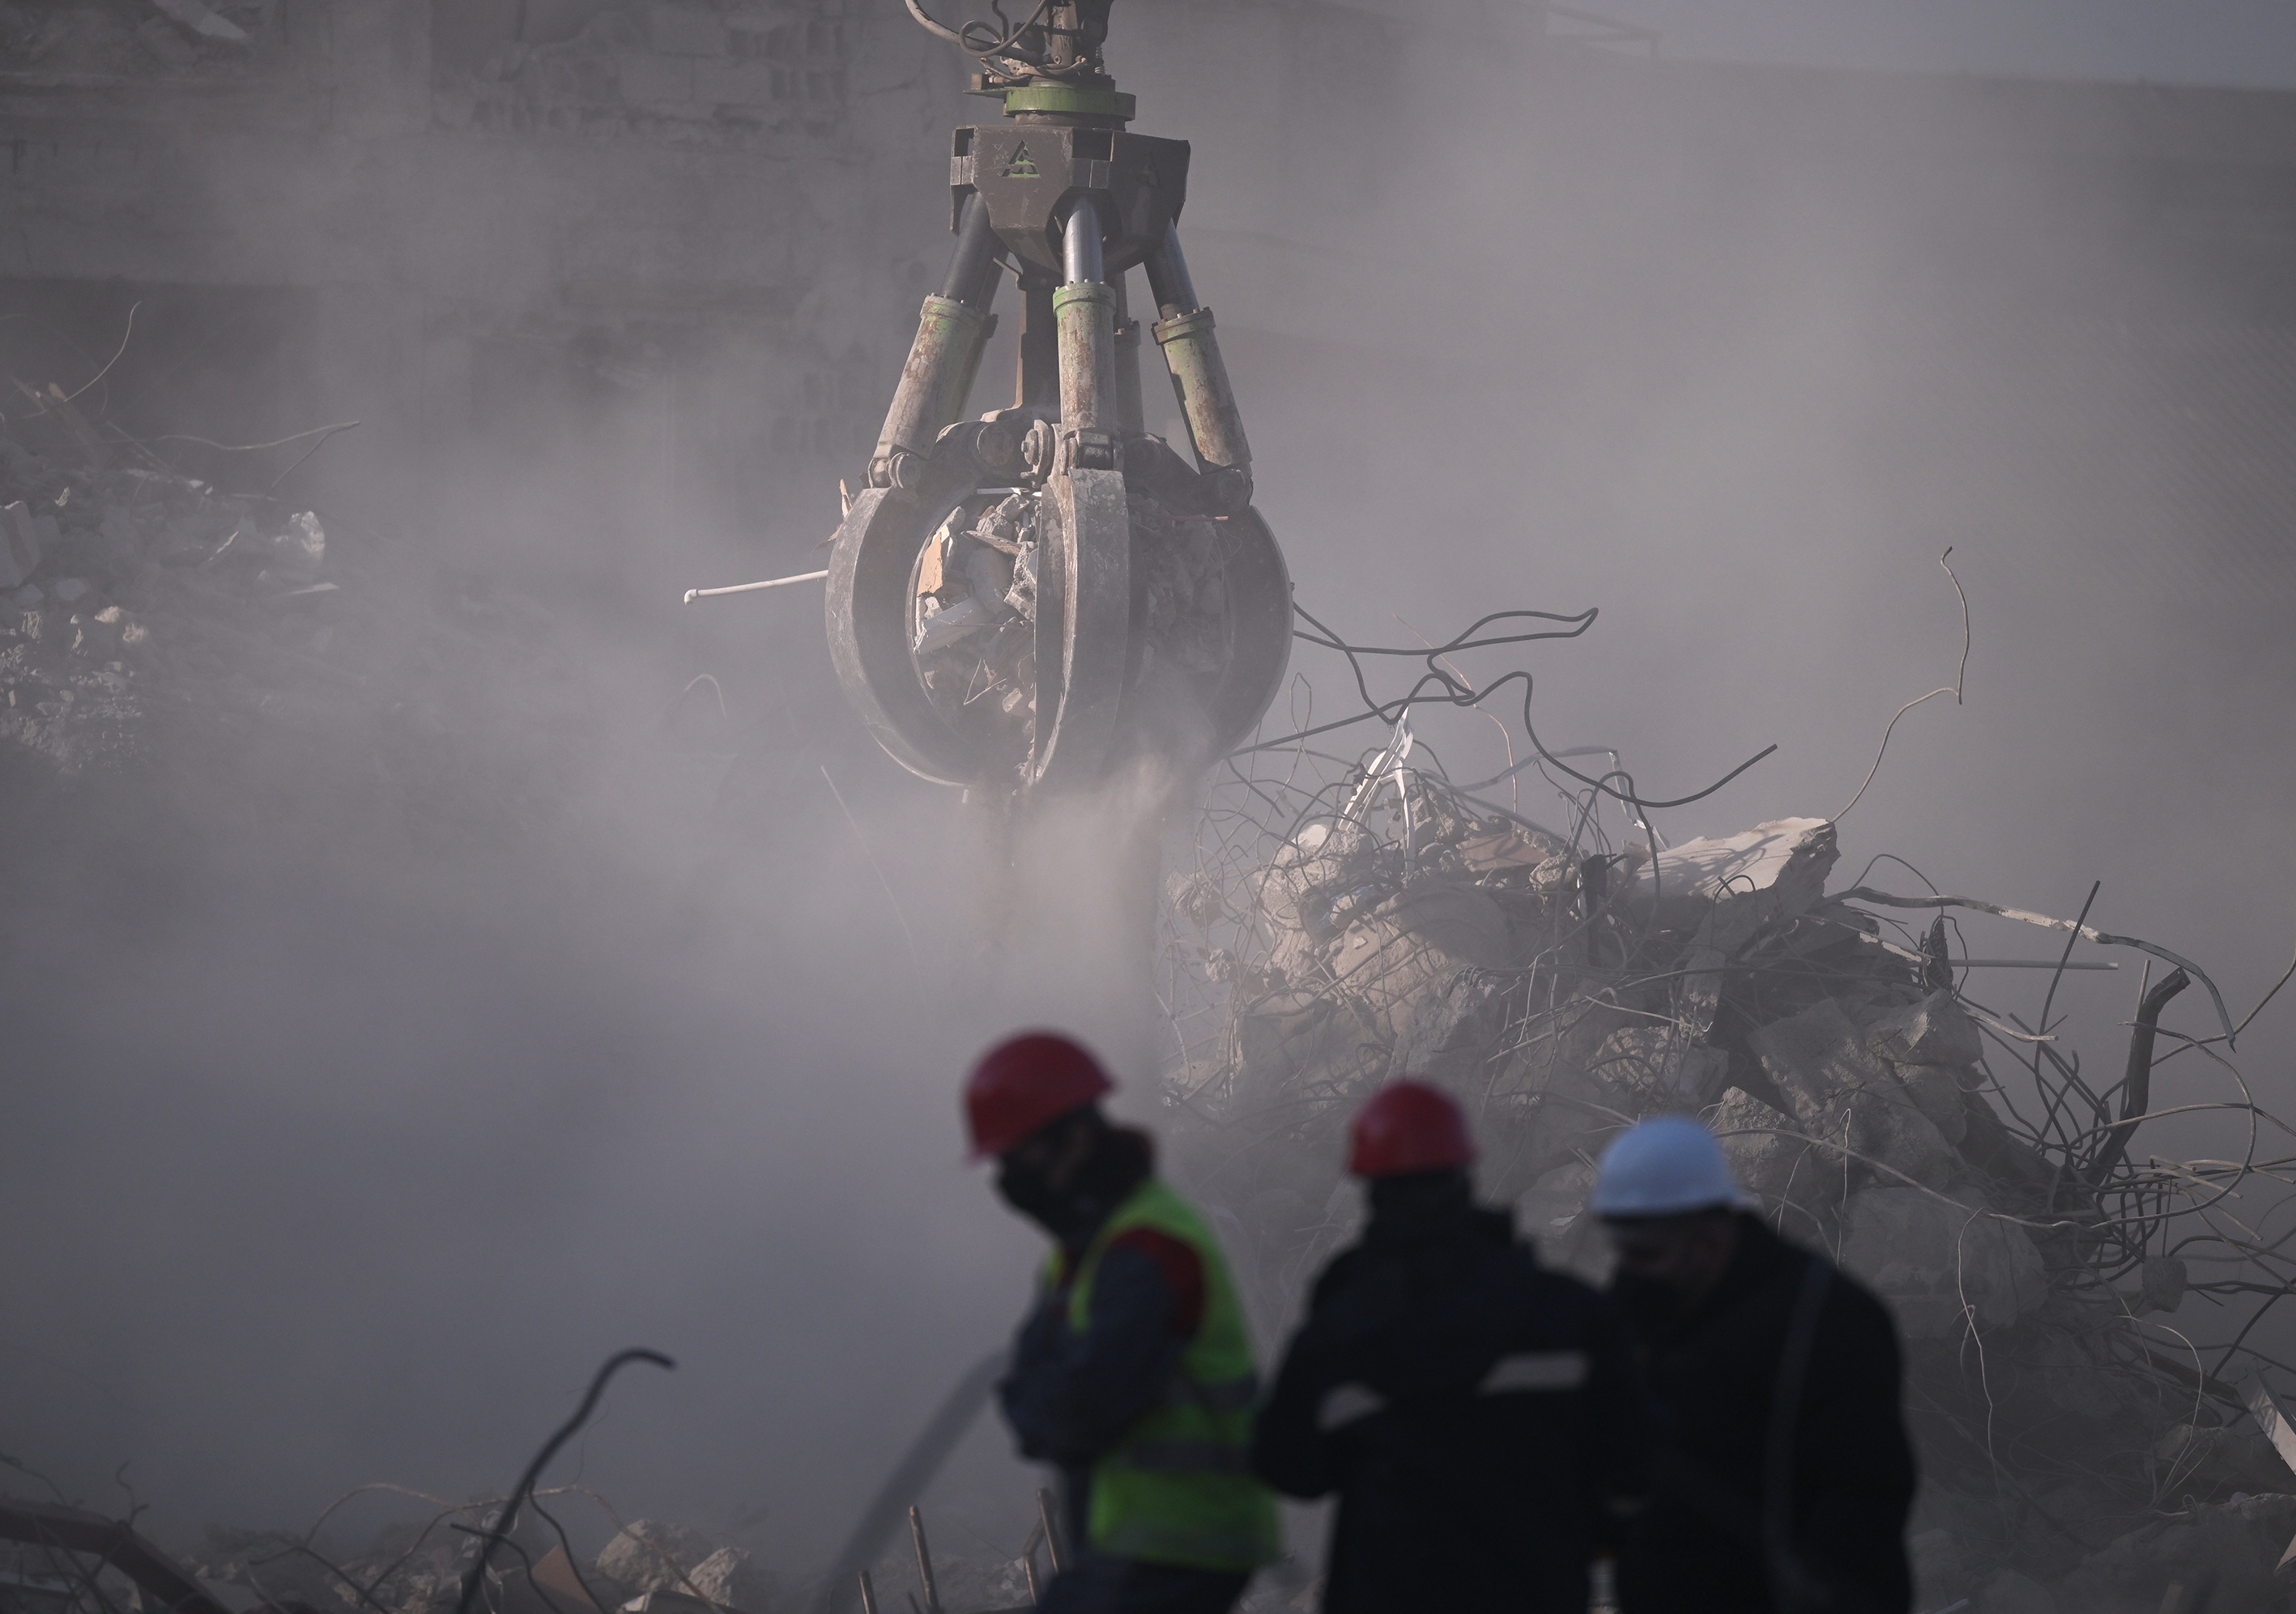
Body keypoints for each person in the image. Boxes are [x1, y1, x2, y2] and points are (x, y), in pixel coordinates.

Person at [1250, 1080, 1648, 1613]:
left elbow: (1288, 1467)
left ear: (1369, 1187)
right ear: (1464, 1174)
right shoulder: (1570, 1314)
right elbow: (1634, 1463)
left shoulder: (1338, 1333)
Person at [967, 1030, 1278, 1613]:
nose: (1007, 1178)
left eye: (1019, 1155)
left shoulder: (1148, 1246)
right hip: (1134, 1542)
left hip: (1182, 1541)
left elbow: (1078, 1411)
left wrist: (1039, 1399)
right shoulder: (1081, 1254)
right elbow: (1035, 1395)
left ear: (1076, 1140)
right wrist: (1039, 1399)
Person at [1595, 1114, 1915, 1614]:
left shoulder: (1828, 1325)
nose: (1629, 1269)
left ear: (1710, 1241)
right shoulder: (1641, 1313)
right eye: (1622, 1248)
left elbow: (1863, 1500)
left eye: (1648, 1252)